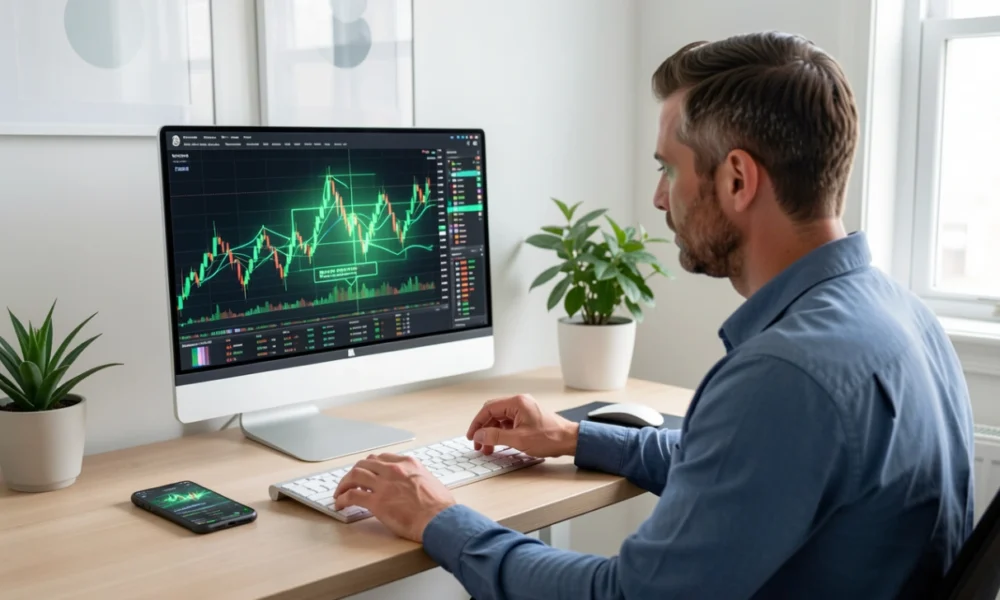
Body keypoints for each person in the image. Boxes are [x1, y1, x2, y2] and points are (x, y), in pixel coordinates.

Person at [333, 31, 975, 599]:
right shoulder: (898, 316)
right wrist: (578, 438)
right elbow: (749, 475)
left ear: (737, 180)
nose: (659, 196)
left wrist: (440, 517)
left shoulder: (785, 373)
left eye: (670, 168)